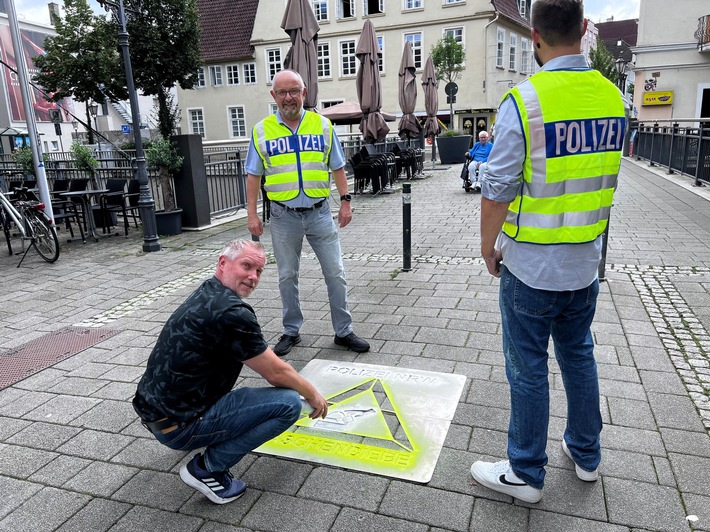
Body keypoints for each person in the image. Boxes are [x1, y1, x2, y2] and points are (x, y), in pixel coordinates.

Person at [469, 0, 625, 504]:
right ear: (583, 29)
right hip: (585, 263)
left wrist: (487, 246)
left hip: (532, 265)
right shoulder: (612, 97)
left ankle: (526, 473)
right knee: (579, 356)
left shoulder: (525, 101)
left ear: (534, 35)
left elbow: (496, 188)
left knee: (529, 367)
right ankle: (586, 455)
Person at [132, 239, 329, 505]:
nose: (253, 276)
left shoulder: (208, 291)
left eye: (259, 271)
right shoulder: (232, 312)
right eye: (246, 266)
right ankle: (208, 469)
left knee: (254, 396)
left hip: (155, 412)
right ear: (223, 263)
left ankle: (197, 432)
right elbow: (276, 372)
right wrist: (313, 394)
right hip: (178, 426)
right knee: (288, 403)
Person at [246, 69, 370, 357]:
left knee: (336, 273)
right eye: (282, 92)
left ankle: (343, 331)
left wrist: (346, 201)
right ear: (273, 96)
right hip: (283, 215)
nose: (288, 97)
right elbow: (253, 175)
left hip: (319, 212)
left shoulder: (323, 126)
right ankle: (291, 330)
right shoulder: (262, 130)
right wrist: (251, 215)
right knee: (287, 275)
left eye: (294, 91)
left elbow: (337, 166)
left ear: (304, 93)